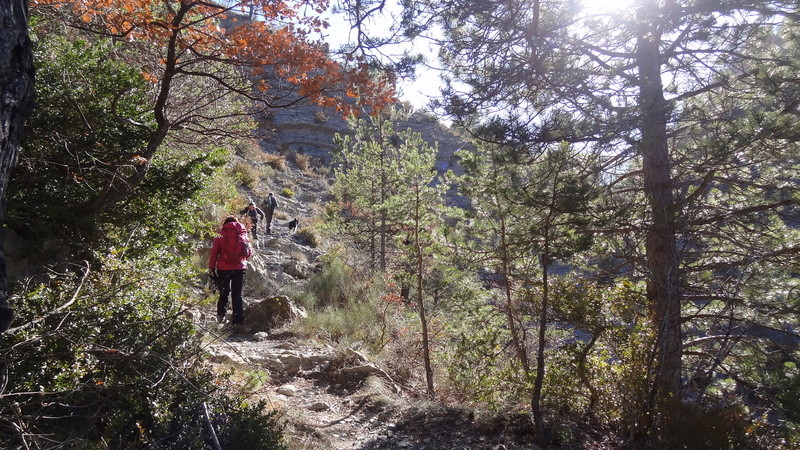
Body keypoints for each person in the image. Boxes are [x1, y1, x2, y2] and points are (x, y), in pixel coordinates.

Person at [208, 216, 252, 328]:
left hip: (223, 268)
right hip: (240, 267)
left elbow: (214, 253)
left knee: (224, 292)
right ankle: (238, 321)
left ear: (225, 224)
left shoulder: (220, 234)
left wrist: (211, 268)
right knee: (237, 294)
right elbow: (248, 252)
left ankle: (220, 317)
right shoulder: (243, 232)